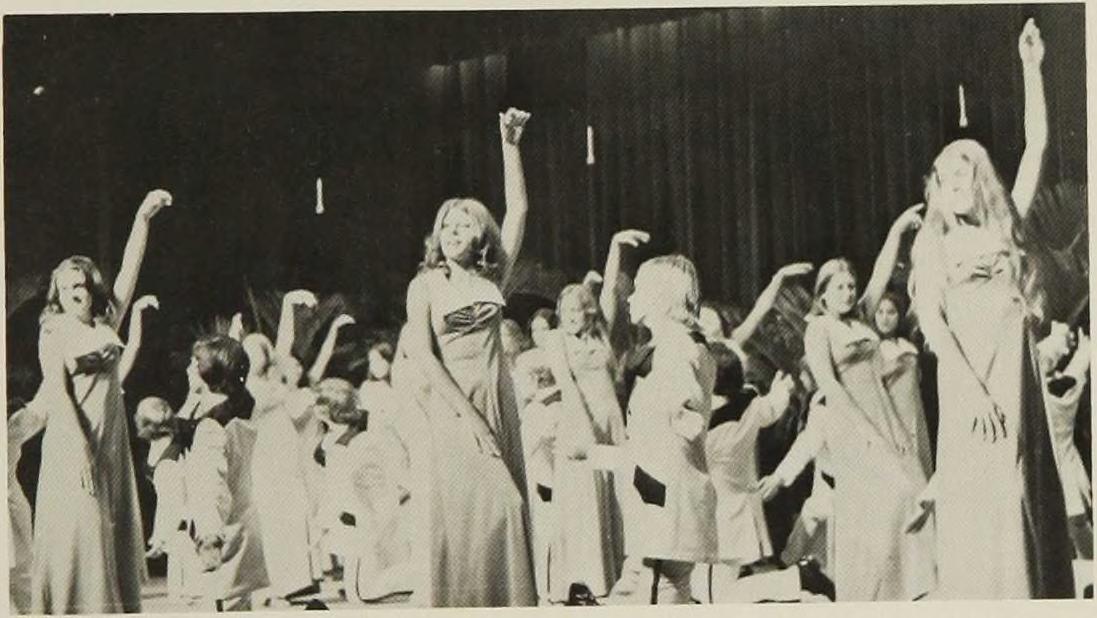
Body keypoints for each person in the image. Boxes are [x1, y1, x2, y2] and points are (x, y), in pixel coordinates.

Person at [908, 18, 1074, 599]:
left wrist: (1031, 69)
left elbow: (1037, 146)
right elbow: (934, 327)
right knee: (988, 494)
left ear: (979, 181)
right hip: (970, 383)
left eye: (963, 175)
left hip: (1014, 375)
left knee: (1023, 487)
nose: (953, 185)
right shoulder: (933, 243)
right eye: (944, 178)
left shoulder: (1004, 228)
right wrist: (973, 392)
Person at [402, 107, 537, 607]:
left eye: (464, 224)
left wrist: (509, 145)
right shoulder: (424, 285)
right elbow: (423, 356)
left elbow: (518, 210)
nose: (453, 231)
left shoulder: (490, 278)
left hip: (500, 400)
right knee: (493, 509)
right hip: (455, 409)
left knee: (495, 512)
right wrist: (471, 419)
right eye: (446, 225)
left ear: (481, 235)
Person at [31, 188, 172, 614]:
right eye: (66, 286)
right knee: (83, 531)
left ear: (91, 287)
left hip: (110, 441)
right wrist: (81, 450)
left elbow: (129, 271)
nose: (75, 292)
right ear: (57, 292)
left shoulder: (105, 322)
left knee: (109, 533)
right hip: (73, 441)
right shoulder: (53, 330)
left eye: (81, 284)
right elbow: (57, 392)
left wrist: (143, 218)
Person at [800, 203, 934, 601]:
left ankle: (906, 591)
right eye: (839, 287)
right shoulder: (819, 328)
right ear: (823, 293)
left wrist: (897, 229)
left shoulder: (860, 317)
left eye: (850, 285)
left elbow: (880, 272)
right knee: (876, 509)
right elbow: (830, 385)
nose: (848, 292)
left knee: (912, 494)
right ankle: (863, 596)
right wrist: (866, 432)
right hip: (853, 427)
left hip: (887, 418)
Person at [606, 254, 717, 605]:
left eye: (638, 289)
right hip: (665, 490)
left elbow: (685, 420)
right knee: (656, 583)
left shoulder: (676, 348)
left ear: (661, 296)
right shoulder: (682, 345)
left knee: (661, 588)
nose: (630, 297)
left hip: (664, 492)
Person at [541, 282, 626, 603]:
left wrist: (614, 253)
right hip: (580, 422)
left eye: (576, 309)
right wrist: (585, 433)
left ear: (588, 311)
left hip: (610, 423)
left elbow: (609, 294)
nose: (570, 316)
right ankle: (582, 580)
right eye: (565, 310)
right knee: (582, 499)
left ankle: (615, 576)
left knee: (614, 495)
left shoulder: (600, 334)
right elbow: (567, 384)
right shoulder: (555, 340)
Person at [180, 335, 268, 610]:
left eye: (195, 362)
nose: (189, 367)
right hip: (244, 526)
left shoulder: (212, 427)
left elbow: (212, 486)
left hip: (220, 538)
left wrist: (209, 538)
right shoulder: (243, 409)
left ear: (210, 372)